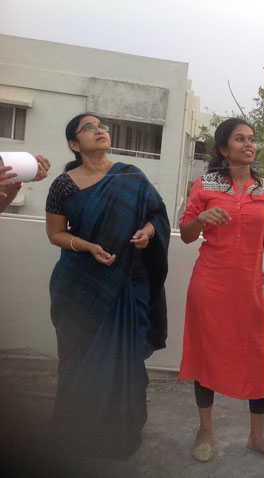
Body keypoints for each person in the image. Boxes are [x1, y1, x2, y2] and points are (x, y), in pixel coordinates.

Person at [45, 113, 170, 458]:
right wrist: (85, 245)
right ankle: (77, 433)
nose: (99, 130)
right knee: (79, 360)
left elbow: (157, 216)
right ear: (74, 143)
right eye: (89, 128)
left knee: (124, 361)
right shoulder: (64, 185)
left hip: (128, 285)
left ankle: (119, 434)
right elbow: (55, 233)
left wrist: (147, 233)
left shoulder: (131, 175)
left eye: (101, 126)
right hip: (80, 286)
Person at [178, 118, 264, 464]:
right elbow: (185, 233)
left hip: (250, 290)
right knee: (206, 355)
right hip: (209, 286)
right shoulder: (205, 184)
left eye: (252, 139)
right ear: (224, 149)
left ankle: (257, 437)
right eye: (240, 139)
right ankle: (206, 430)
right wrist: (201, 219)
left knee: (257, 360)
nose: (249, 144)